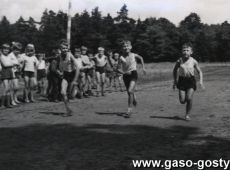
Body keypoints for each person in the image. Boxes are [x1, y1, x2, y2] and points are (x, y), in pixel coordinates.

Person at [173, 43, 205, 121]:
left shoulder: (194, 61)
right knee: (182, 101)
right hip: (181, 81)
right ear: (181, 51)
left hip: (191, 81)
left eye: (188, 50)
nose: (186, 52)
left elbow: (200, 72)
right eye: (184, 50)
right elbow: (174, 70)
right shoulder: (179, 61)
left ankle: (187, 115)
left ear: (191, 52)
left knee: (189, 98)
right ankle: (187, 101)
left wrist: (201, 81)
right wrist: (175, 81)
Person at [118, 41, 146, 118]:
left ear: (131, 47)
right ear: (122, 48)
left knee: (130, 91)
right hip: (126, 75)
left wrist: (143, 67)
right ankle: (133, 96)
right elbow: (118, 69)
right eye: (124, 46)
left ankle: (129, 110)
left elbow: (141, 58)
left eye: (127, 46)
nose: (126, 47)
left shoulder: (134, 55)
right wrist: (123, 72)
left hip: (133, 74)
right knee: (129, 92)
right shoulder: (121, 57)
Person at [59, 41, 80, 116]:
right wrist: (60, 71)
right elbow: (61, 67)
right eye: (62, 48)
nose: (64, 50)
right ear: (60, 49)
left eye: (65, 48)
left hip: (73, 75)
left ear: (67, 48)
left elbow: (77, 67)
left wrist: (74, 80)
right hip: (66, 75)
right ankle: (68, 110)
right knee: (63, 92)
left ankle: (76, 88)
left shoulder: (70, 55)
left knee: (71, 96)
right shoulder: (60, 55)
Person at [0, 43, 16, 108]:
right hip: (5, 72)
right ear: (2, 50)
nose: (6, 50)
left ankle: (8, 103)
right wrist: (12, 63)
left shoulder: (9, 56)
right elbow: (5, 64)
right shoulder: (1, 56)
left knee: (9, 88)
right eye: (4, 49)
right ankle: (2, 104)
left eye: (7, 49)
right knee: (5, 88)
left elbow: (15, 62)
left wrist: (11, 63)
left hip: (10, 72)